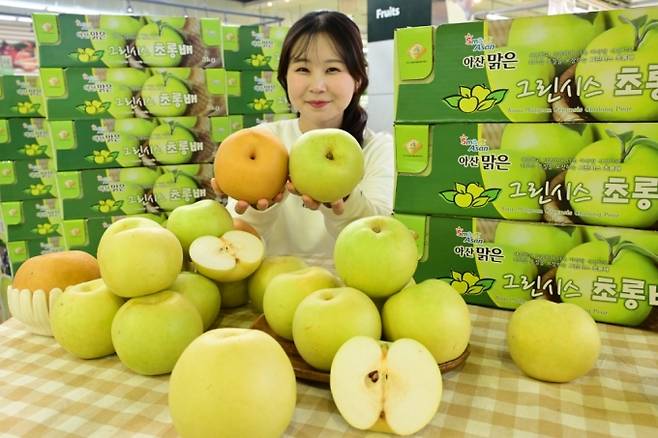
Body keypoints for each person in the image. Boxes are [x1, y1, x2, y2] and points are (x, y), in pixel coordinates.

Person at [214, 10, 394, 270]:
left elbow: (381, 240)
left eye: (332, 69)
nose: (317, 85)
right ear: (285, 78)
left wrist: (341, 200)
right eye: (302, 69)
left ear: (357, 79)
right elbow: (238, 242)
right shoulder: (264, 140)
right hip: (272, 293)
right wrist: (257, 207)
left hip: (353, 294)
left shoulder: (377, 149)